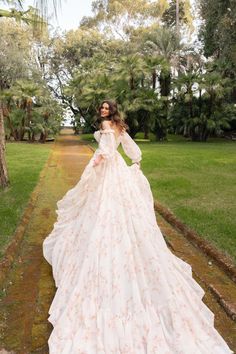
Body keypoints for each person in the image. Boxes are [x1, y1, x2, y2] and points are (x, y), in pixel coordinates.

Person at [42, 100, 233, 354]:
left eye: (106, 108)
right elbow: (130, 147)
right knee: (115, 211)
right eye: (102, 108)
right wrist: (136, 161)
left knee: (104, 210)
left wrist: (96, 164)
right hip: (120, 170)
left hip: (109, 170)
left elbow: (108, 151)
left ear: (112, 111)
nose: (103, 111)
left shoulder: (108, 125)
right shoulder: (119, 125)